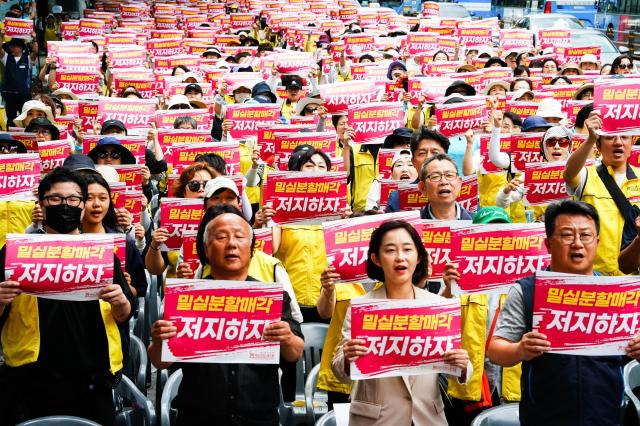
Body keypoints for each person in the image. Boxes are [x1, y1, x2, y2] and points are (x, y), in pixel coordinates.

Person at [0, 167, 134, 425]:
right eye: (55, 199)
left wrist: (121, 302)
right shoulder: (15, 251)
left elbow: (124, 313)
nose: (65, 205)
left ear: (82, 206)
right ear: (41, 204)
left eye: (73, 199)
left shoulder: (102, 253)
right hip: (29, 377)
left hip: (92, 376)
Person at [148, 204, 304, 425]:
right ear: (206, 248)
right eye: (221, 237)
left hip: (258, 419)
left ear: (251, 247)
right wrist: (158, 341)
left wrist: (286, 337)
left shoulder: (271, 297)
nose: (231, 243)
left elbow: (295, 353)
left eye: (240, 237)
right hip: (198, 418)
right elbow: (160, 362)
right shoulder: (186, 298)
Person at [487, 200, 640, 425]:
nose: (577, 244)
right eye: (567, 235)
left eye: (586, 236)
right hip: (544, 417)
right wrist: (520, 349)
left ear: (597, 241)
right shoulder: (527, 291)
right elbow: (495, 350)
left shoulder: (616, 293)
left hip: (606, 415)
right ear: (548, 244)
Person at [331, 220, 471, 426]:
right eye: (390, 250)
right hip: (376, 420)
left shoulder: (438, 305)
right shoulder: (361, 307)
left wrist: (463, 365)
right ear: (376, 259)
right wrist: (347, 357)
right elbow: (339, 370)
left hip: (427, 418)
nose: (400, 257)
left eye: (407, 249)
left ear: (419, 256)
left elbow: (459, 363)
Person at [564, 112, 640, 276]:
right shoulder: (586, 175)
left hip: (633, 280)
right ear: (598, 145)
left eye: (624, 137)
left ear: (631, 144)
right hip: (595, 277)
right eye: (610, 137)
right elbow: (568, 174)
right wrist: (590, 138)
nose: (618, 142)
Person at [386, 127, 450, 213]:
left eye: (435, 153)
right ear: (413, 161)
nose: (428, 157)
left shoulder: (457, 191)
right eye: (422, 153)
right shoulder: (397, 198)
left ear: (446, 159)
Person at [418, 153, 473, 220]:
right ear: (423, 187)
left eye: (449, 175)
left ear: (459, 184)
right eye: (435, 177)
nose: (444, 182)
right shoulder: (412, 226)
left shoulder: (478, 223)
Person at [0, 33, 38, 126]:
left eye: (14, 46)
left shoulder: (28, 59)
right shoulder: (6, 58)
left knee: (25, 117)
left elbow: (36, 52)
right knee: (11, 118)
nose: (11, 48)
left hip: (24, 94)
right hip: (10, 94)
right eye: (11, 46)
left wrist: (34, 38)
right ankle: (11, 138)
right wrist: (1, 35)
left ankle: (24, 137)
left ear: (21, 48)